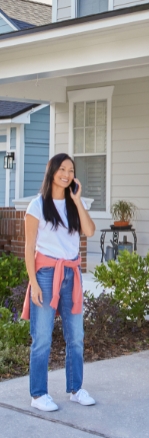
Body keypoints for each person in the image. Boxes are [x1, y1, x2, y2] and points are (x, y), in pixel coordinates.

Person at [21, 153, 96, 412]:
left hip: (71, 274)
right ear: (52, 171)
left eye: (71, 170)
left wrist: (77, 200)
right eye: (62, 169)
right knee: (41, 337)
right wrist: (34, 283)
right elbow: (29, 248)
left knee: (76, 336)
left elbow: (89, 231)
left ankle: (76, 388)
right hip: (46, 273)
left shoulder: (76, 203)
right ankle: (38, 394)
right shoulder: (37, 206)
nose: (66, 174)